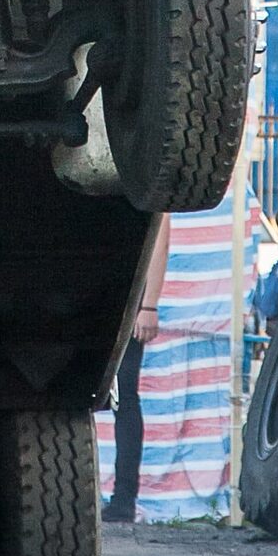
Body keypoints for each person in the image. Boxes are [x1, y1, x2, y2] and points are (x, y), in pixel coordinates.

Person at [105, 217, 171, 525]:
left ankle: (124, 498)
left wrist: (149, 304)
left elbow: (160, 239)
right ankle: (117, 498)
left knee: (125, 397)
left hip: (130, 294)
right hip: (103, 286)